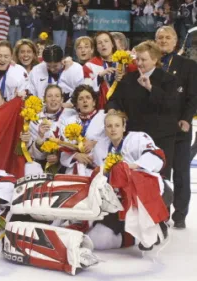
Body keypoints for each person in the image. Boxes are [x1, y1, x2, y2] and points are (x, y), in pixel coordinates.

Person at [88, 111, 170, 251]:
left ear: (124, 127)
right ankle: (130, 235)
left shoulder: (137, 138)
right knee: (96, 239)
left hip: (146, 195)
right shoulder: (101, 147)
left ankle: (157, 224)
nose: (113, 129)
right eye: (109, 126)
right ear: (105, 129)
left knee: (151, 235)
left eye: (117, 125)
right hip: (116, 201)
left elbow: (158, 157)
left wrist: (128, 167)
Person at [107, 40, 179, 180]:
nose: (139, 63)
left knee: (159, 179)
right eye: (137, 59)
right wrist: (112, 110)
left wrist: (150, 88)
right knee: (133, 178)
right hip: (135, 138)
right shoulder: (129, 78)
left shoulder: (169, 80)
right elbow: (114, 99)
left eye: (143, 59)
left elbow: (171, 105)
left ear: (154, 60)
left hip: (161, 137)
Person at [156, 26, 197, 229]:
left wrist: (187, 119)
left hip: (180, 128)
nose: (164, 40)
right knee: (159, 173)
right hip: (156, 129)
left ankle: (180, 215)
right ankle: (160, 212)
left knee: (181, 172)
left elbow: (193, 95)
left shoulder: (188, 65)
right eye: (160, 37)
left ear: (176, 41)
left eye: (168, 37)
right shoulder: (149, 62)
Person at [28, 85, 77, 172]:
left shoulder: (72, 115)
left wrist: (60, 155)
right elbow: (34, 155)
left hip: (67, 164)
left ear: (62, 99)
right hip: (43, 165)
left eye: (57, 96)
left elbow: (76, 144)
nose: (53, 99)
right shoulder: (35, 119)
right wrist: (40, 136)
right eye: (49, 96)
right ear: (44, 100)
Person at [83, 31, 136, 109]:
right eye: (99, 43)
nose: (103, 44)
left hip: (123, 107)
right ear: (96, 48)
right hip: (100, 109)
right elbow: (86, 90)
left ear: (112, 44)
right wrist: (99, 77)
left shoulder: (124, 60)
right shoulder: (89, 66)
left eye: (106, 41)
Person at [61, 85, 106, 176]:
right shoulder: (68, 121)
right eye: (81, 99)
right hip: (74, 170)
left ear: (94, 102)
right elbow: (63, 148)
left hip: (98, 168)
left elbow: (113, 139)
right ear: (77, 105)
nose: (85, 101)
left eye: (88, 98)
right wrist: (75, 156)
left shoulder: (104, 117)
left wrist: (94, 143)